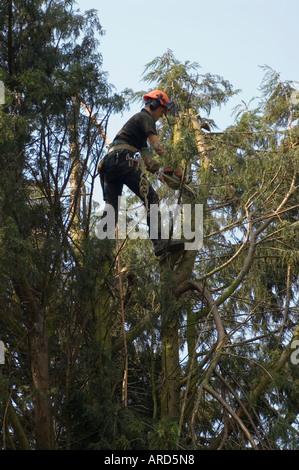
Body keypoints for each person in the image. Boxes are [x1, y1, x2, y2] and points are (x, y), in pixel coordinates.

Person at [98, 89, 184, 256]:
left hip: (110, 165)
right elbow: (158, 147)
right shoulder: (145, 117)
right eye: (162, 111)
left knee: (112, 209)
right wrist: (176, 166)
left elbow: (149, 163)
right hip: (122, 160)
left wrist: (165, 170)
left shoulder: (138, 129)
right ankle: (158, 242)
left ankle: (101, 251)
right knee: (151, 198)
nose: (161, 116)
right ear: (154, 104)